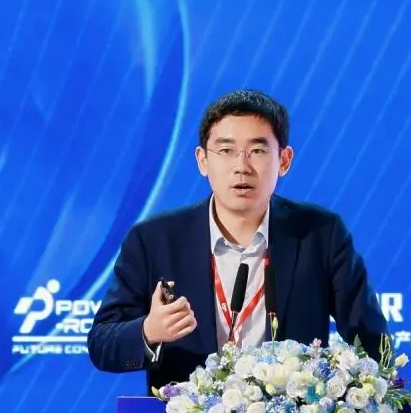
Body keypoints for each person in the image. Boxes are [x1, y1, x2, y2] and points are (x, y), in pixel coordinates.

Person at [87, 89, 388, 391]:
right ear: (203, 160)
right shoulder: (153, 239)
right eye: (226, 150)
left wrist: (359, 395)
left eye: (257, 151)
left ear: (284, 160)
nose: (241, 166)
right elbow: (102, 344)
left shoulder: (320, 234)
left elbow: (372, 341)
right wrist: (149, 331)